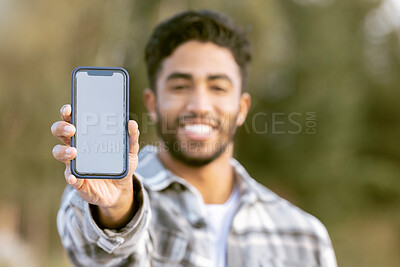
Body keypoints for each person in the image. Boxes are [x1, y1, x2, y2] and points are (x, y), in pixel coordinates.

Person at [52, 10, 337, 267]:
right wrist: (117, 210)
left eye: (218, 87)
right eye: (180, 86)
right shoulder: (97, 196)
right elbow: (94, 254)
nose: (199, 105)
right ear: (152, 104)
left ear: (242, 108)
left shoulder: (305, 238)